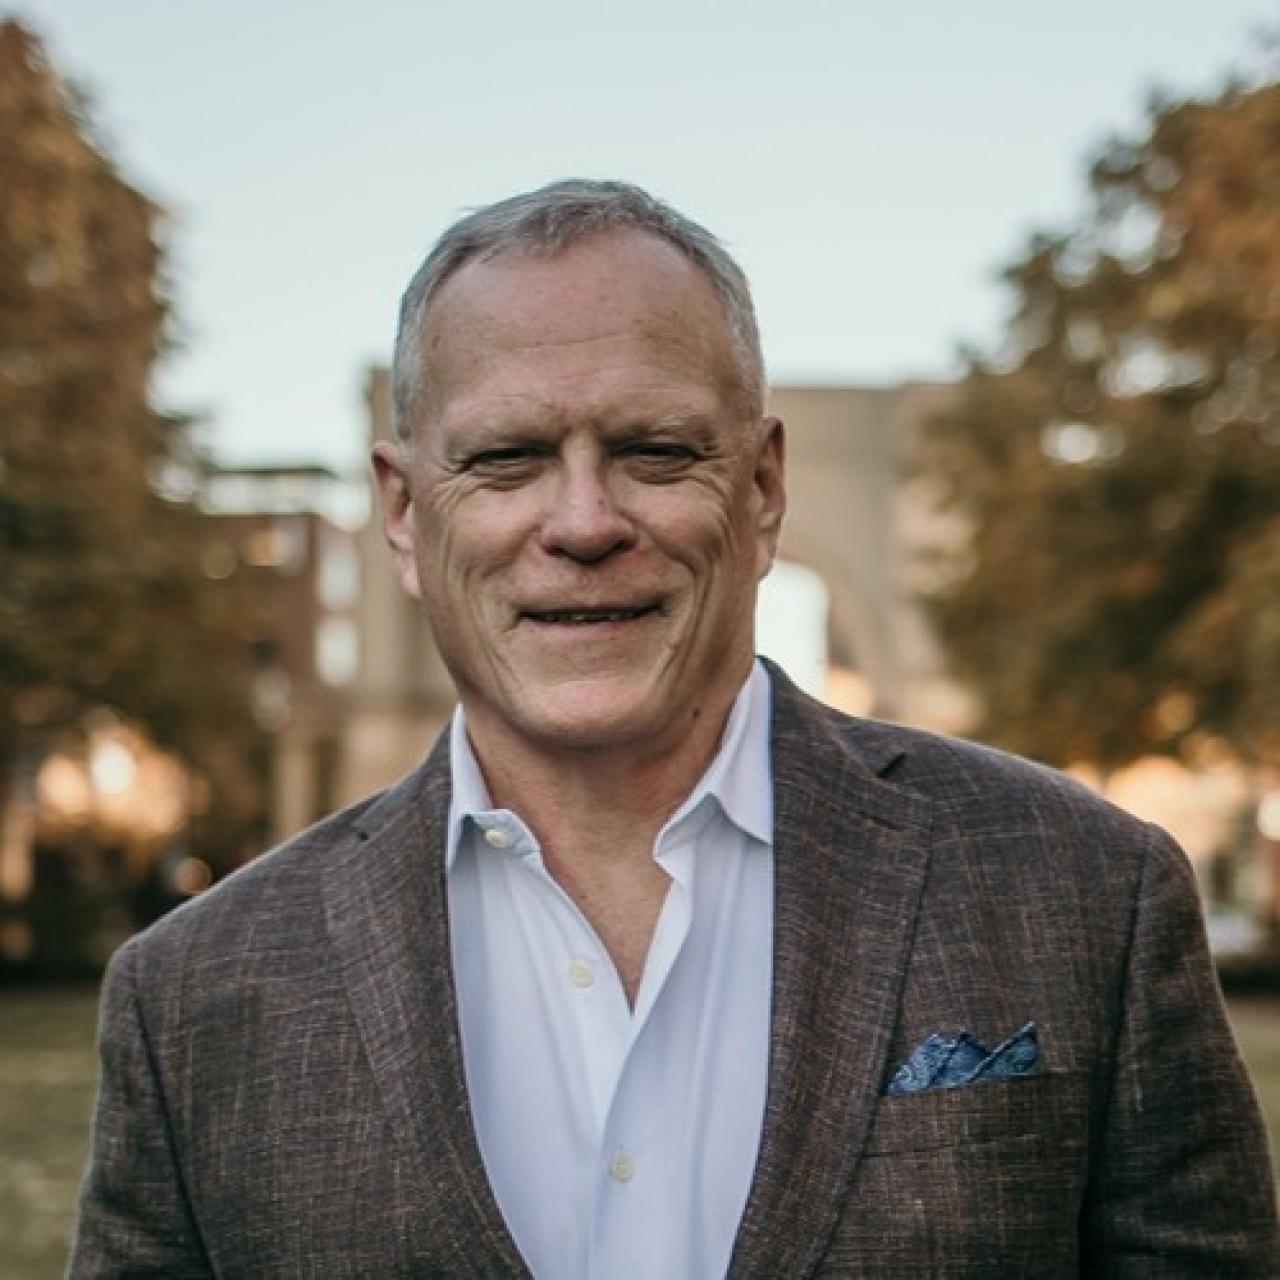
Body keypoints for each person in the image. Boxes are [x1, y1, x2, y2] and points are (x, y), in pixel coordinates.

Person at [69, 179, 1277, 1278]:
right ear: (400, 509)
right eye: (506, 459)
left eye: (652, 451)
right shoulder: (191, 1001)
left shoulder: (1081, 893)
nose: (584, 520)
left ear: (758, 491)